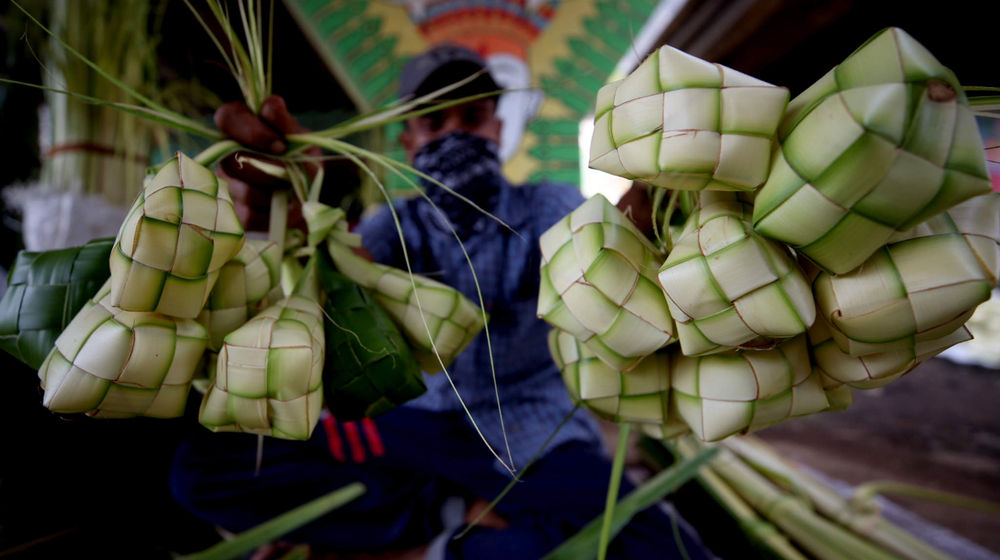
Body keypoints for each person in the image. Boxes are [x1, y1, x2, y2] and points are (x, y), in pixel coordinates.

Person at [171, 43, 713, 560]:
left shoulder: (545, 204)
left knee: (664, 547)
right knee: (205, 469)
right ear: (409, 141)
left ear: (498, 130)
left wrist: (642, 223)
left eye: (471, 118)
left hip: (531, 434)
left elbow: (588, 249)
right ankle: (454, 513)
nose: (454, 133)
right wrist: (300, 212)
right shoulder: (391, 226)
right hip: (413, 429)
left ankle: (416, 547)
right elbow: (336, 270)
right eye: (434, 122)